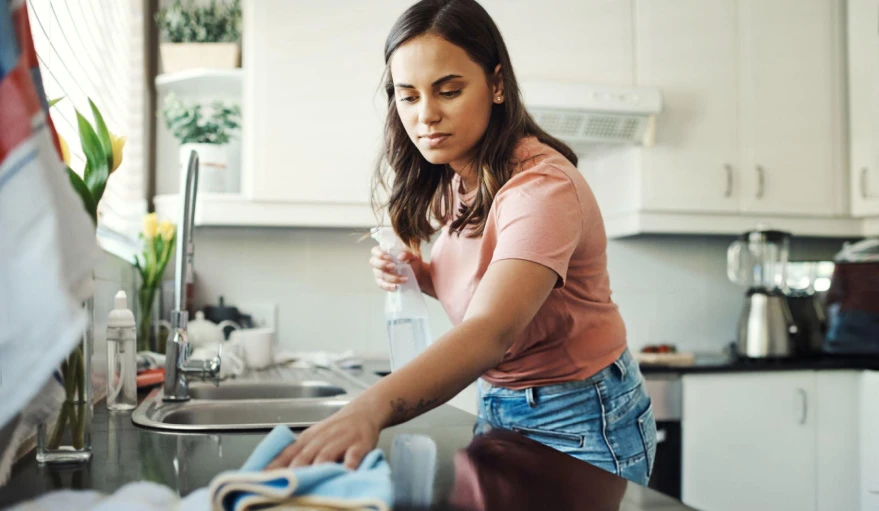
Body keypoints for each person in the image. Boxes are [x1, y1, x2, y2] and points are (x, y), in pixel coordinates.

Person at [268, 0, 656, 485]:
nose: (425, 115)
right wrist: (423, 276)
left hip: (578, 415)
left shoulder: (542, 188)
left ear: (496, 85)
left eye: (448, 91)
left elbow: (492, 329)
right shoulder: (463, 179)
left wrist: (369, 409)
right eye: (407, 97)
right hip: (502, 402)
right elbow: (490, 286)